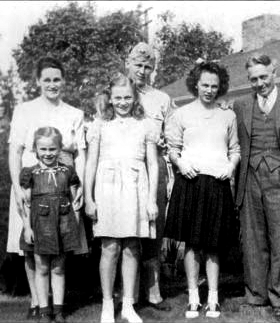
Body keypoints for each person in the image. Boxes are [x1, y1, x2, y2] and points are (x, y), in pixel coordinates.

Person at [7, 57, 87, 320]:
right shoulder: (24, 110)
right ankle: (36, 301)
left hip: (63, 187)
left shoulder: (74, 113)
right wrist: (16, 186)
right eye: (47, 79)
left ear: (63, 80)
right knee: (30, 246)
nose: (52, 84)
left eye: (57, 79)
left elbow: (81, 155)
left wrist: (82, 188)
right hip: (30, 185)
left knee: (60, 246)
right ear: (38, 81)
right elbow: (15, 151)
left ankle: (56, 304)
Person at [164, 61, 240, 319]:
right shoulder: (181, 114)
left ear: (221, 88)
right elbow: (172, 149)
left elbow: (235, 150)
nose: (209, 90)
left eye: (214, 86)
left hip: (217, 183)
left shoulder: (227, 115)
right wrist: (181, 163)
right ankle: (194, 298)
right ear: (196, 84)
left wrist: (231, 167)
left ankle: (214, 299)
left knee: (213, 245)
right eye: (205, 85)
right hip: (191, 181)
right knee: (192, 244)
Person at [84, 73, 159, 323]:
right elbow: (91, 162)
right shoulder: (100, 124)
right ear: (110, 98)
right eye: (118, 98)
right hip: (107, 188)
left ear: (134, 97)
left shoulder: (145, 124)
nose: (123, 102)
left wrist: (151, 200)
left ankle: (128, 304)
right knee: (110, 247)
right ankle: (107, 304)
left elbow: (153, 163)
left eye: (127, 97)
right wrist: (89, 197)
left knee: (131, 247)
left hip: (137, 188)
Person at [233, 54, 280, 320]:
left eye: (263, 77)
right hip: (250, 178)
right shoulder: (240, 105)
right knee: (253, 238)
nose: (259, 83)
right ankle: (255, 294)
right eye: (254, 79)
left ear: (274, 72)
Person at [124, 42, 175, 311]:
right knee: (127, 230)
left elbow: (174, 133)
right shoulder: (118, 93)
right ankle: (129, 296)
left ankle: (154, 293)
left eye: (148, 67)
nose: (142, 71)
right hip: (125, 169)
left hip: (154, 166)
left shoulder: (162, 99)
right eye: (138, 65)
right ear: (127, 64)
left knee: (154, 230)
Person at [19, 127, 81, 323]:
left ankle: (59, 310)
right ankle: (45, 310)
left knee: (58, 268)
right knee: (42, 267)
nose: (48, 154)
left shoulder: (68, 172)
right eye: (43, 149)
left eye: (52, 149)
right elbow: (25, 205)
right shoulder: (30, 173)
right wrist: (27, 228)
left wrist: (74, 225)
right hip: (39, 226)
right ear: (35, 150)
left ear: (60, 148)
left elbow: (75, 201)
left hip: (62, 224)